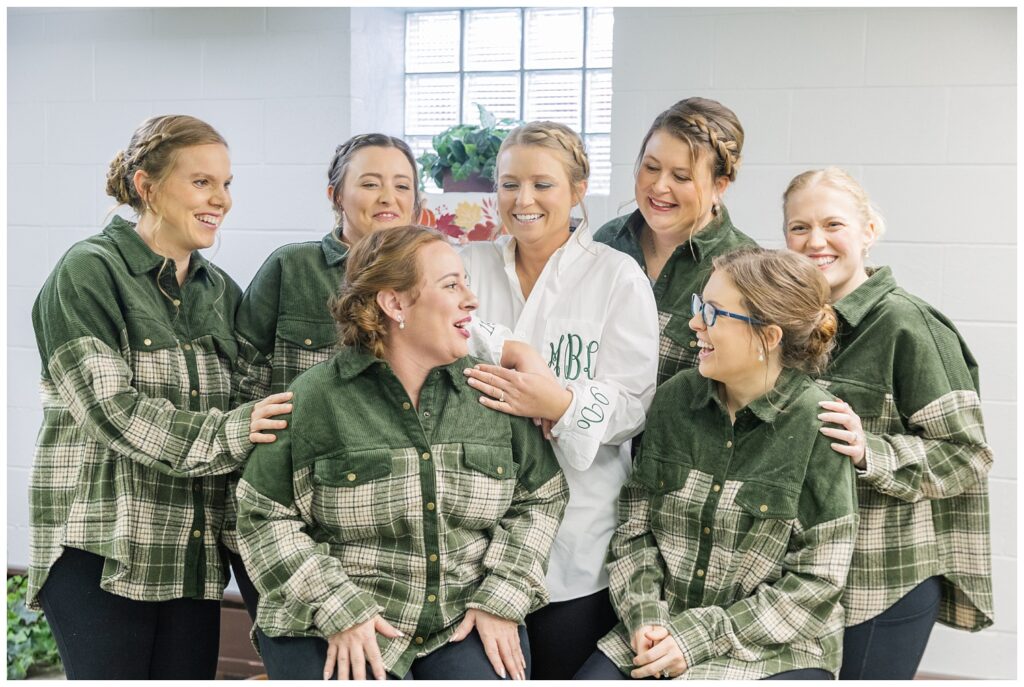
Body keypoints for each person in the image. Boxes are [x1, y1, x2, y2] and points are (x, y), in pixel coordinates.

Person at [236, 225, 569, 680]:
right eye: (451, 285)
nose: (470, 300)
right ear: (394, 304)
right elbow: (261, 514)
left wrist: (502, 598)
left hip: (460, 615)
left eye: (466, 284)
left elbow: (542, 497)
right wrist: (338, 606)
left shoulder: (489, 392)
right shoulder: (315, 399)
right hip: (334, 612)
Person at [27, 114, 292, 680]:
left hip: (189, 557)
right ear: (146, 186)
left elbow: (254, 395)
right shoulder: (89, 271)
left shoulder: (219, 291)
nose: (220, 199)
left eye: (226, 184)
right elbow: (113, 414)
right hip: (103, 552)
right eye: (201, 182)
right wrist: (234, 430)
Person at [576, 247, 859, 680]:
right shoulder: (675, 399)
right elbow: (635, 528)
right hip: (658, 630)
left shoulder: (820, 425)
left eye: (712, 313)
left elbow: (816, 583)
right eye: (698, 306)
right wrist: (646, 616)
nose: (694, 322)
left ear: (768, 336)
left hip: (772, 648)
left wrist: (695, 639)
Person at [458, 121, 659, 679]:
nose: (523, 200)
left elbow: (634, 401)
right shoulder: (464, 266)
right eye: (508, 184)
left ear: (577, 189)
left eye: (543, 184)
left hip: (578, 532)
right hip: (473, 534)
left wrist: (561, 402)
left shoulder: (616, 276)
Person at [782, 168, 994, 679]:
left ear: (868, 231)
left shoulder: (908, 324)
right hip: (803, 580)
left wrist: (867, 450)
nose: (816, 242)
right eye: (798, 228)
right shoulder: (790, 325)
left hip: (881, 579)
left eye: (833, 224)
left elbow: (968, 456)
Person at [230, 133, 422, 619]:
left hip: (388, 531)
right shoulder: (290, 268)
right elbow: (241, 385)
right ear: (335, 195)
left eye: (402, 185)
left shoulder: (429, 278)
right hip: (289, 519)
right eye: (370, 183)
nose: (388, 198)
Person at [594, 97, 757, 385]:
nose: (658, 187)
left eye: (681, 177)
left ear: (719, 186)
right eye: (651, 168)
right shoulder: (607, 241)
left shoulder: (746, 267)